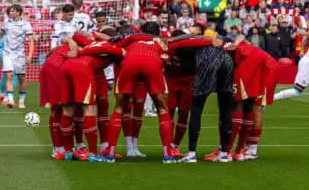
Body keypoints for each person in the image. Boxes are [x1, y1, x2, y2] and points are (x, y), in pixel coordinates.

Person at [103, 21, 175, 163]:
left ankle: (110, 152)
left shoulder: (131, 39)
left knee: (119, 108)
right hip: (152, 62)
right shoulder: (160, 41)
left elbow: (113, 46)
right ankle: (168, 154)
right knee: (162, 108)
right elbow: (167, 56)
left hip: (130, 62)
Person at [174, 23, 235, 164]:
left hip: (207, 60)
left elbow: (183, 41)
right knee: (225, 109)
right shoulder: (217, 38)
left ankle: (191, 153)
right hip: (226, 59)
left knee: (196, 109)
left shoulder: (193, 39)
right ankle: (225, 153)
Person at [61, 36, 124, 162]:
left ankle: (67, 152)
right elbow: (123, 53)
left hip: (66, 66)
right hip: (83, 68)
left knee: (67, 110)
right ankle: (93, 154)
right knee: (90, 110)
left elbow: (76, 35)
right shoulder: (112, 48)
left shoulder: (92, 43)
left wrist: (71, 42)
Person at [0, 4, 34, 108]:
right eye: (10, 11)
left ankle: (21, 101)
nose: (10, 12)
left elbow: (31, 41)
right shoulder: (6, 23)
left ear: (19, 12)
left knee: (21, 78)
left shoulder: (26, 24)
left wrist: (29, 55)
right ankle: (10, 100)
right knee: (9, 76)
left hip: (20, 55)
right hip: (8, 53)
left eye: (13, 11)